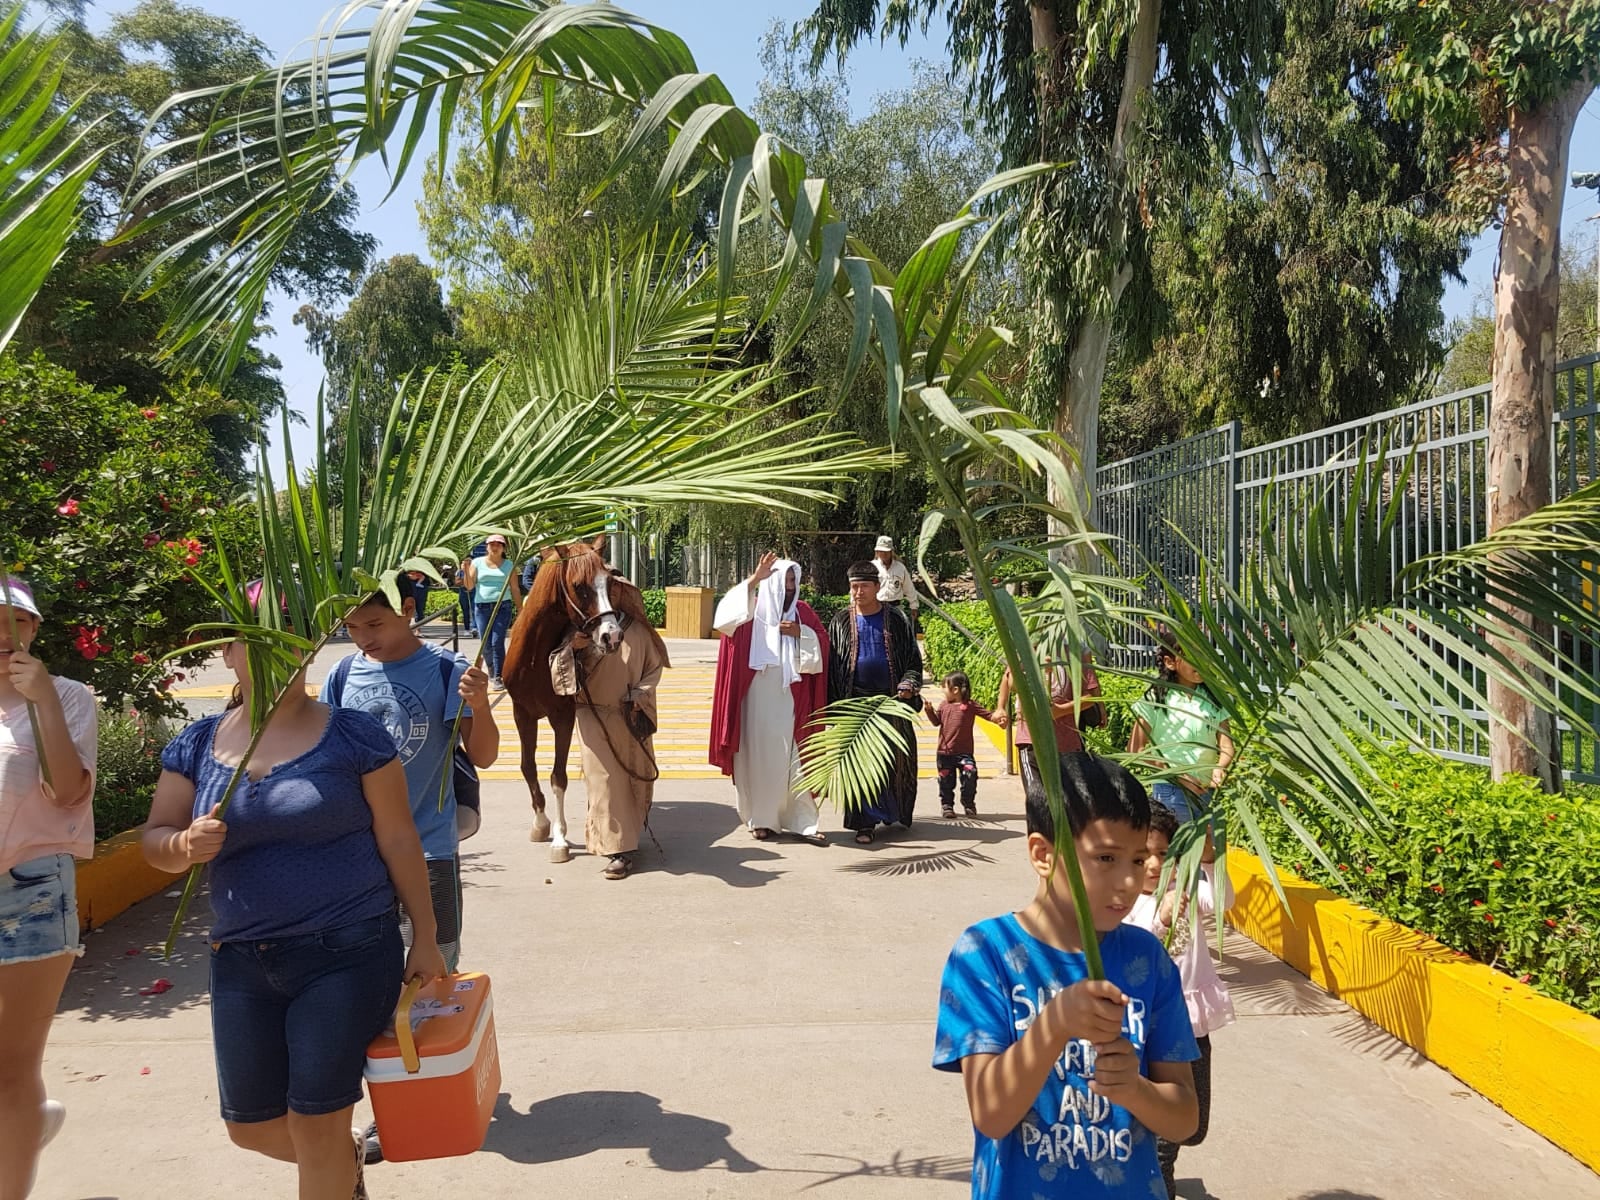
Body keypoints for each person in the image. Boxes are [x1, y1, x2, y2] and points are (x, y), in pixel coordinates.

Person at [143, 623, 447, 1199]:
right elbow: (156, 838)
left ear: (308, 652)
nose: (272, 653)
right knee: (250, 1129)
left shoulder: (352, 735)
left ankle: (332, 1158)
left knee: (315, 1124)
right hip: (240, 960)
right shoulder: (197, 744)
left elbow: (400, 839)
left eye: (286, 638)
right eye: (252, 639)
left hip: (347, 952)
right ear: (227, 653)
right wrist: (181, 845)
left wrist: (426, 937)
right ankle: (344, 1159)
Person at [933, 751, 1200, 1199]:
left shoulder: (1147, 958)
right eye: (1106, 857)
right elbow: (991, 1115)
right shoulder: (985, 953)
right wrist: (1054, 1026)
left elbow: (1185, 1118)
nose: (1128, 882)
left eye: (1138, 861)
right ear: (1043, 854)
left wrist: (1135, 1090)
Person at [325, 576, 501, 1165]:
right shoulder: (343, 675)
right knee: (370, 981)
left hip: (429, 851)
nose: (363, 638)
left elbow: (483, 755)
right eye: (352, 628)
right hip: (358, 855)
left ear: (407, 609)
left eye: (374, 624)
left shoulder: (447, 670)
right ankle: (384, 1102)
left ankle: (415, 1096)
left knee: (427, 978)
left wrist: (478, 705)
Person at [0, 577, 96, 1200]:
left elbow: (67, 792)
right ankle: (26, 1130)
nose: (2, 635)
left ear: (33, 628)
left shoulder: (66, 695)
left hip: (29, 890)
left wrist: (42, 705)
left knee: (11, 1067)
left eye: (14, 621)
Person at [1127, 803, 1235, 1198]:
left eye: (1164, 853)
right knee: (1159, 1131)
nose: (1155, 865)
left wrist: (1208, 859)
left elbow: (1222, 900)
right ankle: (1158, 1180)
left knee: (1194, 1124)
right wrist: (1162, 919)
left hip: (1191, 1024)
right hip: (1149, 1032)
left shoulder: (1186, 890)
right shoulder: (1122, 903)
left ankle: (1162, 1165)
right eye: (1143, 855)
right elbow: (1132, 950)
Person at [709, 552, 830, 845]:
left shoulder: (802, 612)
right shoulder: (751, 611)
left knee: (797, 758)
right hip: (755, 701)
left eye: (793, 581)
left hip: (793, 699)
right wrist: (754, 579)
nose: (789, 587)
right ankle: (761, 820)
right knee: (757, 759)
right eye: (784, 581)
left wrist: (801, 633)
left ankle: (803, 822)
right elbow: (723, 620)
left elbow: (824, 643)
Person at [551, 607, 668, 880]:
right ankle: (618, 850)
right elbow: (559, 672)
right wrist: (573, 648)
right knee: (603, 781)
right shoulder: (579, 631)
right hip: (592, 714)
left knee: (632, 781)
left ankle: (626, 838)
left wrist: (639, 695)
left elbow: (654, 669)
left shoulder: (638, 631)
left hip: (629, 713)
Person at [827, 561, 922, 844]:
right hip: (854, 703)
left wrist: (909, 684)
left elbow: (913, 661)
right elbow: (832, 668)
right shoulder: (840, 622)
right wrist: (834, 710)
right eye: (854, 587)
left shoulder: (897, 619)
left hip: (890, 703)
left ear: (877, 587)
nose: (858, 592)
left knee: (891, 763)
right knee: (860, 764)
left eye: (864, 587)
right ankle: (864, 824)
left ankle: (889, 813)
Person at [1127, 627, 1233, 825]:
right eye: (1194, 657)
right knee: (1178, 843)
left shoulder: (1214, 700)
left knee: (1210, 844)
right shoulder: (1155, 699)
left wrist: (1219, 768)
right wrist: (1178, 776)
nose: (1203, 663)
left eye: (1206, 656)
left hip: (1208, 791)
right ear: (1170, 662)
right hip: (1171, 792)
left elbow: (1227, 746)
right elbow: (1135, 749)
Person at [994, 651, 1103, 798]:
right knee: (1036, 798)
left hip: (1066, 743)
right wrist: (1000, 708)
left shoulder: (1075, 653)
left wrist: (1061, 710)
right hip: (1030, 740)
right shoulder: (1024, 649)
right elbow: (1010, 682)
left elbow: (1090, 697)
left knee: (1066, 799)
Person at [923, 671, 996, 819]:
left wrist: (999, 718)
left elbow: (988, 715)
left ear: (955, 690)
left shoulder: (970, 705)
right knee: (945, 781)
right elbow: (936, 722)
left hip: (964, 753)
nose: (942, 690)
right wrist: (929, 711)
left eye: (944, 687)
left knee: (971, 773)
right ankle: (947, 805)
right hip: (944, 753)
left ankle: (968, 802)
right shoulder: (944, 705)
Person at [462, 534, 522, 688]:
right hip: (482, 608)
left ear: (503, 548)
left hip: (502, 607)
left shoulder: (509, 565)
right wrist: (466, 570)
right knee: (486, 644)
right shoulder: (477, 562)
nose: (495, 547)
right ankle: (491, 669)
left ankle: (498, 675)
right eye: (492, 544)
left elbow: (515, 588)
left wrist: (521, 610)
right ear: (487, 546)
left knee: (497, 642)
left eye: (498, 544)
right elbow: (469, 586)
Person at [871, 535, 919, 626]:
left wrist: (914, 606)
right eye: (881, 551)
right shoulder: (872, 567)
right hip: (876, 608)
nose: (884, 554)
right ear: (877, 552)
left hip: (895, 608)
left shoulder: (900, 568)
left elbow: (908, 588)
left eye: (886, 551)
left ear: (891, 552)